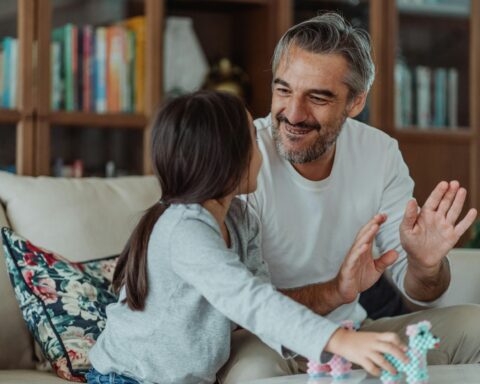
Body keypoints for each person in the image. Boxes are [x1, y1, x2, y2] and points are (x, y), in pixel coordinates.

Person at [218, 13, 480, 383]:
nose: (293, 114)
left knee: (475, 324)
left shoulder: (379, 153)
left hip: (353, 340)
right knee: (254, 376)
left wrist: (425, 265)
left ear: (356, 102)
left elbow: (422, 291)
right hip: (262, 342)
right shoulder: (243, 155)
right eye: (283, 90)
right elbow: (233, 306)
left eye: (318, 98)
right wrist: (334, 292)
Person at [86, 91, 410, 384]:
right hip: (128, 378)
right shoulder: (183, 228)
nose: (264, 152)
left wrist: (333, 323)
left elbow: (264, 302)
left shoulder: (241, 219)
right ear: (226, 157)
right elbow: (250, 300)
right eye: (255, 140)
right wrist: (338, 340)